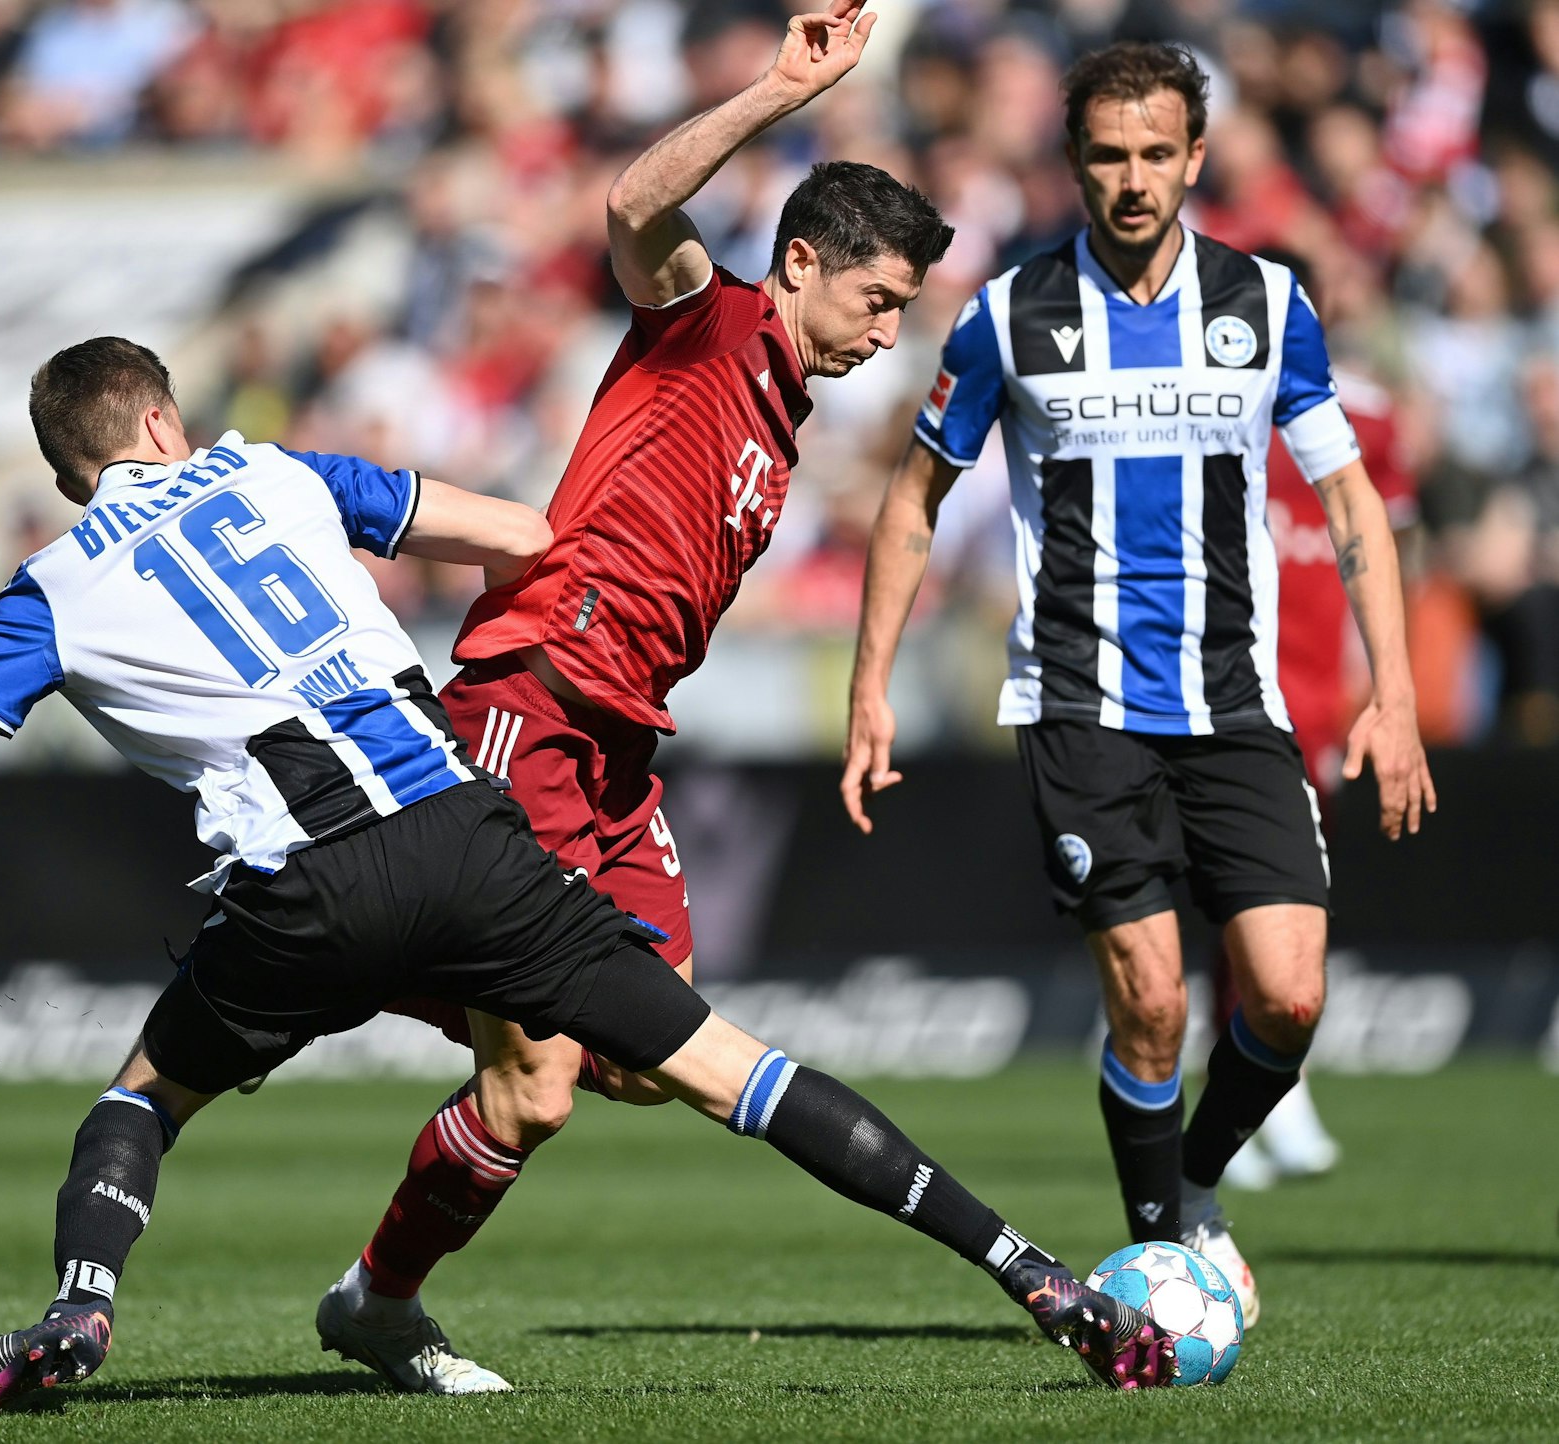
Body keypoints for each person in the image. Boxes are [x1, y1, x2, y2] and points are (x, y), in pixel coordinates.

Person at [0, 337, 1175, 1415]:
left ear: (72, 471)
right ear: (169, 423)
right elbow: (518, 532)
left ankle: (80, 1309)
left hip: (303, 891)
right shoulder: (275, 472)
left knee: (141, 1100)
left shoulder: (50, 584)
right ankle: (1036, 1275)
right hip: (470, 832)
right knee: (731, 1069)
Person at [312, 2, 956, 1393]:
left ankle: (396, 985)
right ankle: (377, 1279)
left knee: (636, 1051)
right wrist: (780, 92)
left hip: (617, 755)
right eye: (877, 302)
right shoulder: (705, 320)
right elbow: (631, 200)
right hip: (533, 696)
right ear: (799, 265)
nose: (886, 335)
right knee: (540, 1075)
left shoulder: (780, 421)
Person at [841, 42, 1436, 1331]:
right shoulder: (1007, 313)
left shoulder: (1267, 303)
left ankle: (1197, 1177)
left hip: (1235, 705)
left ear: (1193, 159)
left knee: (1286, 993)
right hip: (1077, 704)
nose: (1130, 179)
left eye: (1153, 153)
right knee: (1153, 999)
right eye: (1106, 155)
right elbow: (910, 501)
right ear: (1074, 161)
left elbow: (1349, 504)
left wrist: (1390, 694)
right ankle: (1160, 1248)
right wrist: (869, 687)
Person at [1216, 247, 1420, 1192]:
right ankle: (1261, 1102)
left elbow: (1384, 547)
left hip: (1319, 689)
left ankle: (1263, 1091)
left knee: (1290, 896)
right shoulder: (1203, 403)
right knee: (1231, 893)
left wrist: (1386, 683)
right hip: (1222, 685)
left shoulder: (1361, 420)